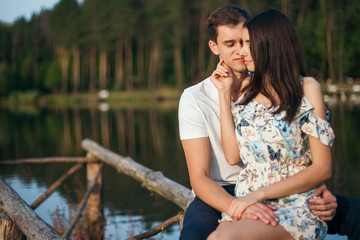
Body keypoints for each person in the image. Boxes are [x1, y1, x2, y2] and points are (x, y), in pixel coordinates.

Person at [178, 5, 345, 240]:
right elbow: (215, 167)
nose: (241, 51)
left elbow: (319, 165)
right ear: (214, 47)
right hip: (229, 191)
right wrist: (224, 96)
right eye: (232, 44)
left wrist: (316, 186)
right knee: (199, 234)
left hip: (287, 198)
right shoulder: (200, 97)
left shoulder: (303, 87)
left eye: (246, 42)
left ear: (267, 43)